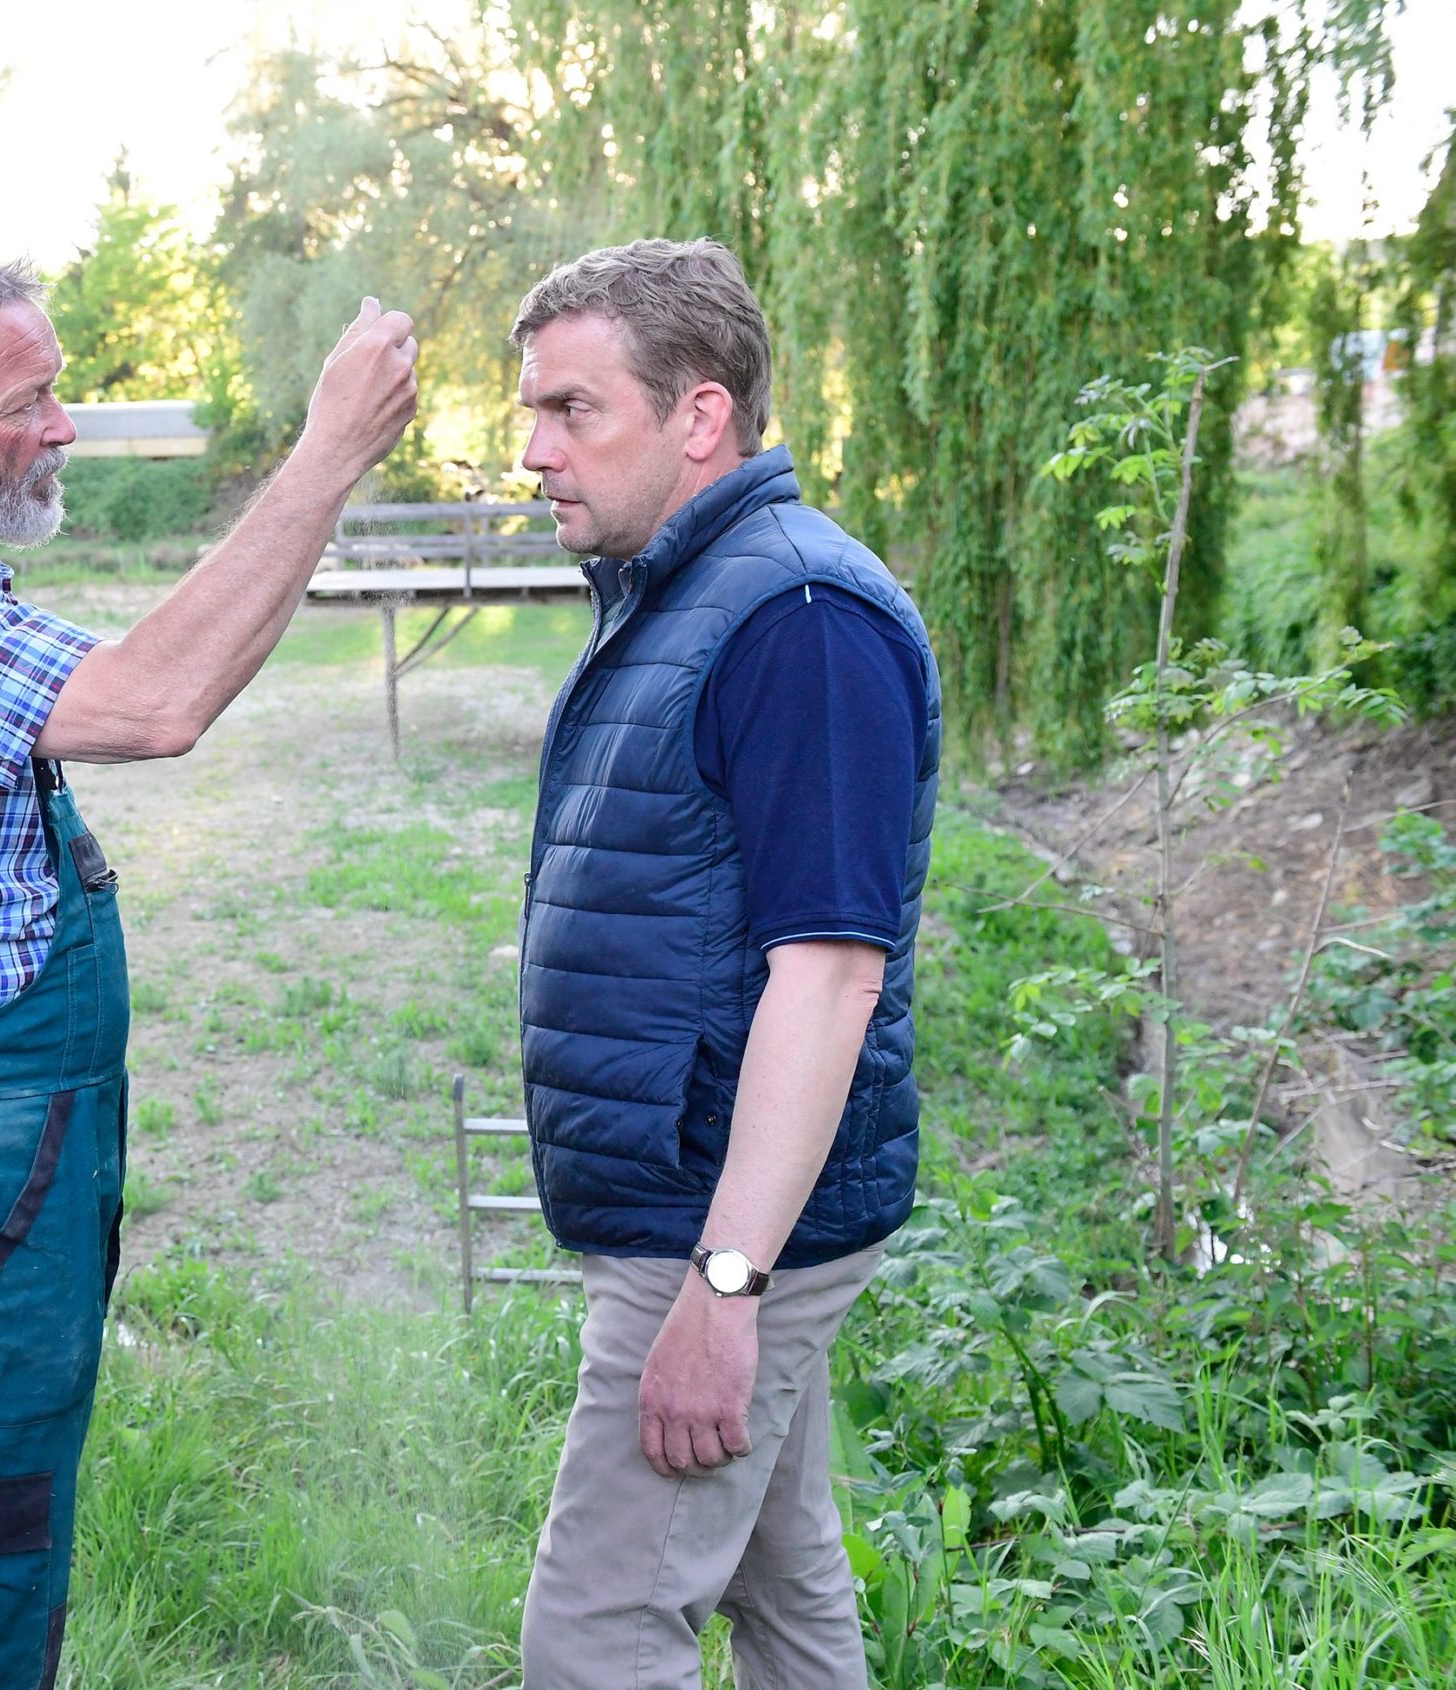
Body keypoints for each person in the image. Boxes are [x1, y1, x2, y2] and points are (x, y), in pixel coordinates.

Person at [0, 255, 417, 1688]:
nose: (62, 426)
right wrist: (325, 453)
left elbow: (185, 681)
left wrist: (326, 481)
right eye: (27, 400)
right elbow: (153, 702)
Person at [509, 239, 941, 1689]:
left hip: (720, 1216)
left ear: (699, 415)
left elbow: (831, 975)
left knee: (596, 1636)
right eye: (534, 411)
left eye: (573, 410)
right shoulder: (687, 594)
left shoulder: (799, 620)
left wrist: (727, 1283)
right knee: (786, 1582)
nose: (535, 450)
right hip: (698, 1193)